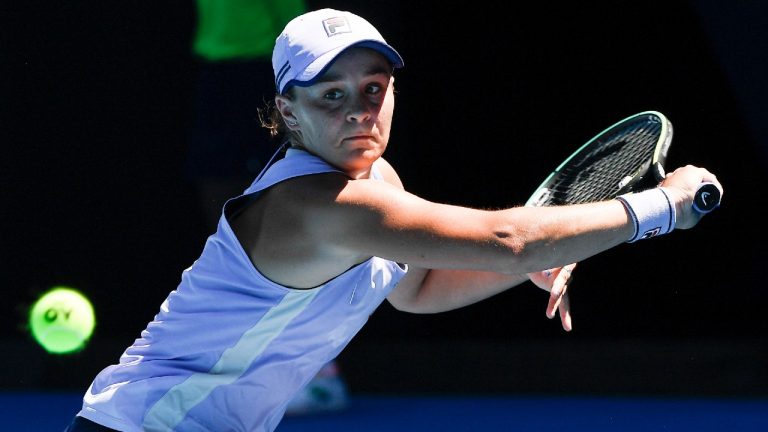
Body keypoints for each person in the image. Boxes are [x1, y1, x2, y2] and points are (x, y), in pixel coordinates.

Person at [65, 8, 723, 432]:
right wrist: (665, 204)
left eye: (373, 89)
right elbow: (509, 239)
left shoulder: (375, 182)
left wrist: (528, 263)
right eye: (332, 96)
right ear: (287, 113)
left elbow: (417, 289)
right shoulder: (320, 206)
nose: (359, 110)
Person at [186, 0, 350, 416]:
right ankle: (242, 362)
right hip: (217, 70)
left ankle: (315, 369)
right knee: (227, 219)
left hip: (270, 68)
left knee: (294, 206)